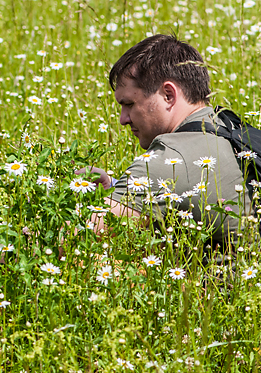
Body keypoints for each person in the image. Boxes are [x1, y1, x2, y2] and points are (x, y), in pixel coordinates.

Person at [84, 34, 251, 247]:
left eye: (129, 104)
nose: (123, 120)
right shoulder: (232, 129)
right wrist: (115, 189)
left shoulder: (169, 162)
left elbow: (74, 240)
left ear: (168, 95)